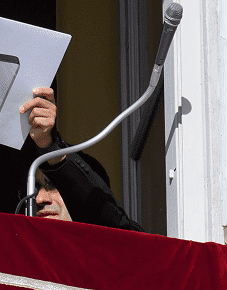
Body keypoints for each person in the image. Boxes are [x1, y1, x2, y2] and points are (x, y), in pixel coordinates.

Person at [21, 88, 144, 231]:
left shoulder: (116, 249)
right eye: (35, 188)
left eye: (53, 185)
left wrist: (49, 145)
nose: (39, 199)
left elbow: (113, 220)